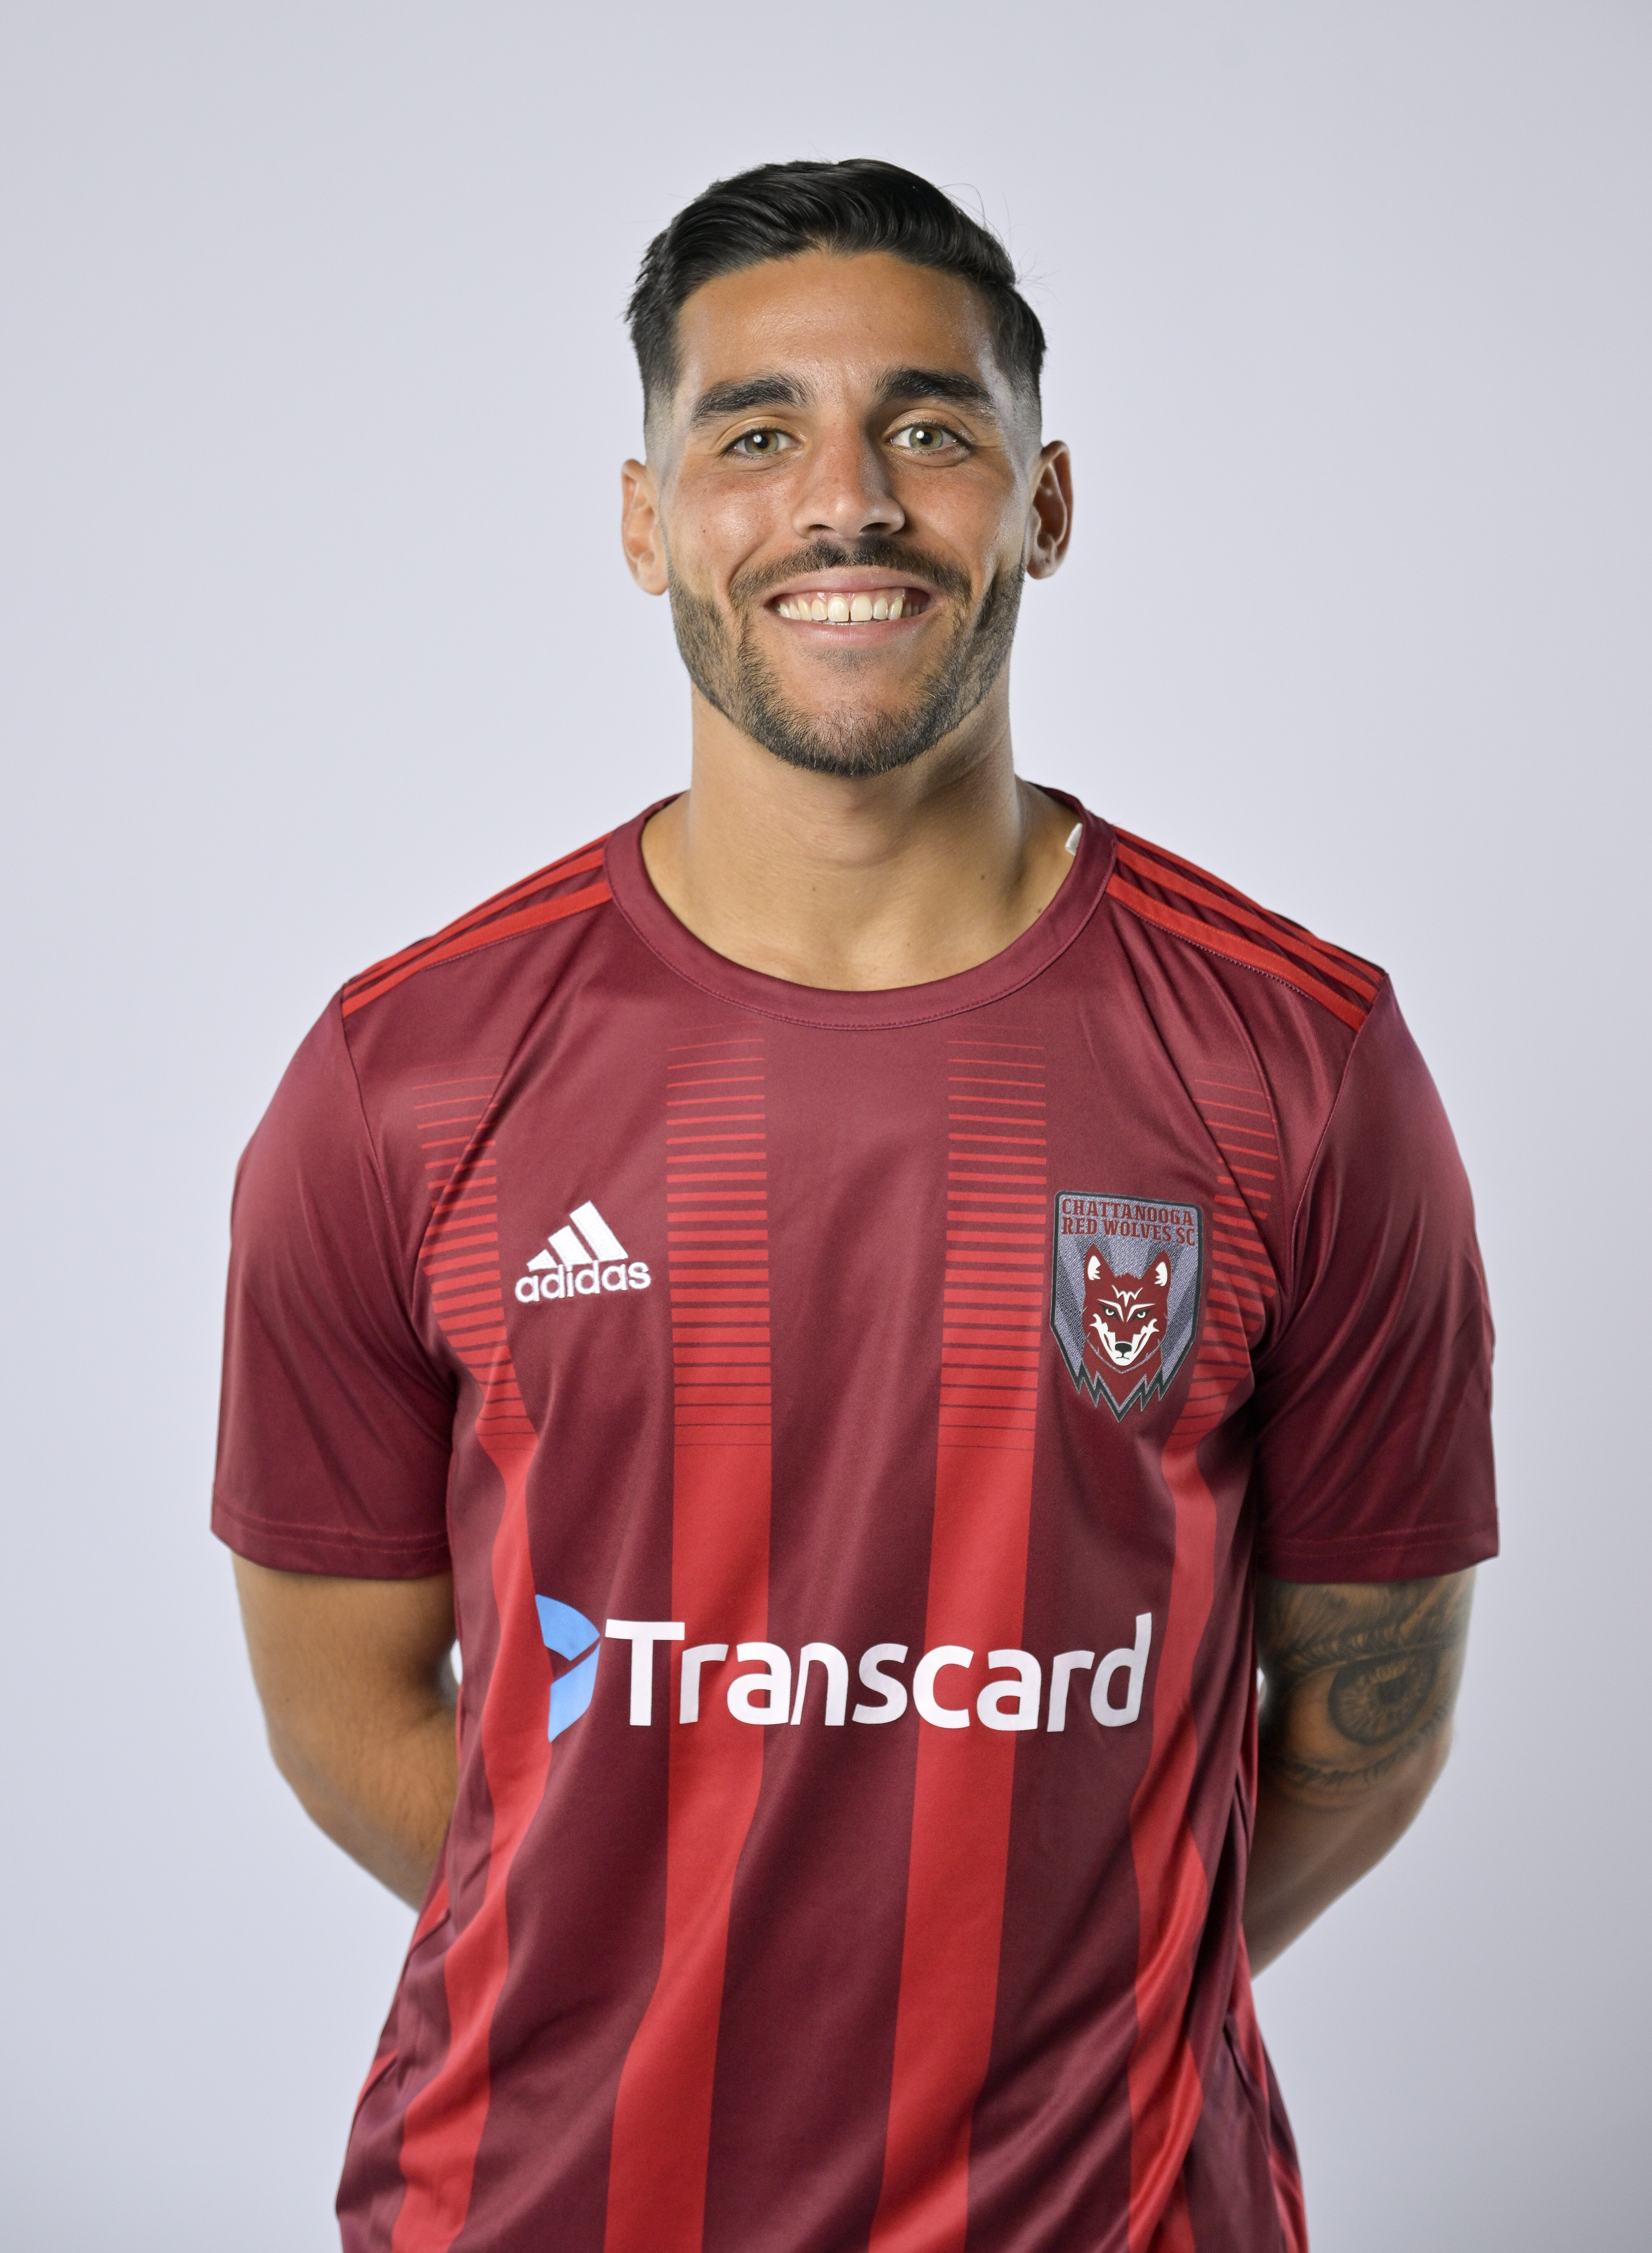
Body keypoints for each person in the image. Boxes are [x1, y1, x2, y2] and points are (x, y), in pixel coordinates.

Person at [213, 159, 1496, 2253]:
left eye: (929, 428)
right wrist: (658, 1948)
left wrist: (1051, 2000)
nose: (848, 502)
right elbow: (341, 1703)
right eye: (753, 436)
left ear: (1045, 504)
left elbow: (1370, 1722)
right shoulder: (410, 1075)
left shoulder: (1298, 1062)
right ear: (648, 523)